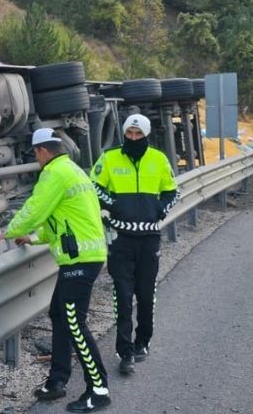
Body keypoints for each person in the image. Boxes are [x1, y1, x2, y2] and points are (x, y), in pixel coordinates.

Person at [0, 127, 111, 412]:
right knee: (59, 314)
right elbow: (58, 220)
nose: (36, 158)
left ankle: (98, 390)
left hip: (80, 260)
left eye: (36, 153)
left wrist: (9, 231)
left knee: (74, 322)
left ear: (43, 151)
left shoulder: (53, 174)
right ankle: (56, 381)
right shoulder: (71, 169)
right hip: (84, 255)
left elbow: (35, 209)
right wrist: (33, 239)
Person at [91, 114, 176, 377]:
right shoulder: (109, 157)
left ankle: (143, 342)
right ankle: (125, 351)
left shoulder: (159, 159)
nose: (134, 138)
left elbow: (173, 191)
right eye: (130, 134)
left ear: (146, 135)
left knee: (146, 294)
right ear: (124, 134)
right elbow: (93, 186)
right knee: (123, 295)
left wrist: (159, 210)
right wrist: (114, 205)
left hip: (149, 239)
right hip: (120, 239)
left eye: (138, 135)